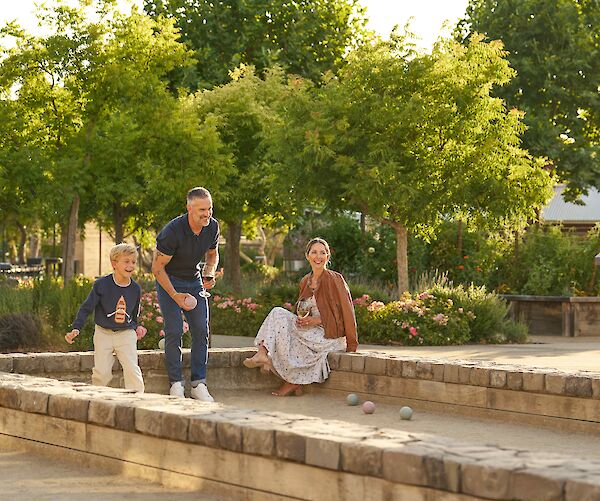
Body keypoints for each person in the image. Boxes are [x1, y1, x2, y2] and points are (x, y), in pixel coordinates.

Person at [244, 237, 358, 396]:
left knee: (285, 325)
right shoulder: (305, 281)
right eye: (314, 252)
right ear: (307, 256)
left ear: (328, 256)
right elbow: (302, 309)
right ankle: (263, 353)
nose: (318, 256)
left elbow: (347, 311)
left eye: (322, 253)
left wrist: (351, 344)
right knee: (278, 313)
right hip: (311, 332)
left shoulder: (335, 278)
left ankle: (292, 381)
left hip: (330, 336)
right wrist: (303, 320)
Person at [152, 187, 219, 401]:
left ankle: (199, 383)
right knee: (174, 330)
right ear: (189, 208)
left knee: (201, 330)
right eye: (202, 209)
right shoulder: (172, 232)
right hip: (169, 280)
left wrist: (209, 272)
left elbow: (212, 254)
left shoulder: (212, 227)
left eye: (209, 208)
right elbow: (157, 268)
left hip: (194, 279)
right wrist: (174, 295)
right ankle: (176, 384)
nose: (207, 213)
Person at [65, 243, 145, 393]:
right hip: (103, 333)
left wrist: (136, 327)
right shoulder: (101, 285)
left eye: (133, 262)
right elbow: (86, 308)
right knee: (101, 372)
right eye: (126, 261)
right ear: (114, 263)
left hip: (125, 334)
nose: (131, 265)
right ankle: (98, 398)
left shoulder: (135, 289)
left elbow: (134, 314)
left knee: (132, 369)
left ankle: (137, 400)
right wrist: (76, 327)